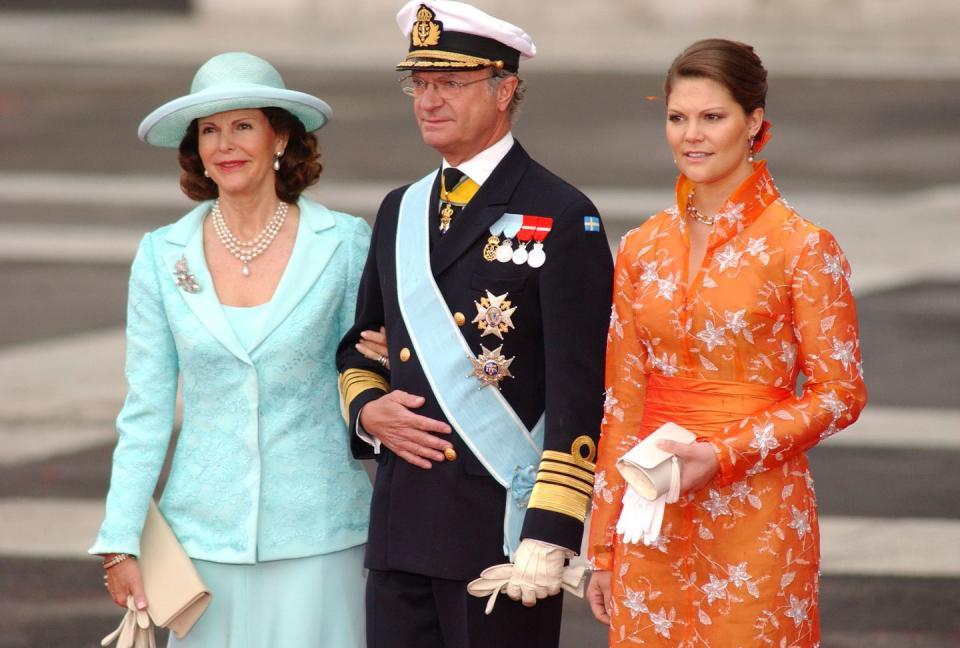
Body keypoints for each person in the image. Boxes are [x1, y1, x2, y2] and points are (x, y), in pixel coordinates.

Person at [335, 2, 613, 646]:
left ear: (505, 89)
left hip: (501, 534)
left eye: (450, 83)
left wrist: (551, 531)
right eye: (420, 83)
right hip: (402, 527)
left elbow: (581, 393)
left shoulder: (563, 215)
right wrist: (368, 408)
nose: (429, 101)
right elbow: (364, 345)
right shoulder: (400, 209)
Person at [585, 39, 868, 646]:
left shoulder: (802, 246)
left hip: (757, 516)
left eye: (713, 117)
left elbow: (840, 393)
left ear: (755, 124)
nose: (692, 135)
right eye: (677, 117)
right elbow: (621, 404)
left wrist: (725, 454)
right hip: (649, 515)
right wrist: (603, 544)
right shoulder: (642, 246)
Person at [89, 52, 372, 647]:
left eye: (243, 125)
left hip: (322, 537)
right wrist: (120, 539)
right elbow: (144, 409)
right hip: (203, 546)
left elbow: (367, 378)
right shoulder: (162, 255)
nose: (225, 144)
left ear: (281, 137)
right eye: (210, 130)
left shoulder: (344, 244)